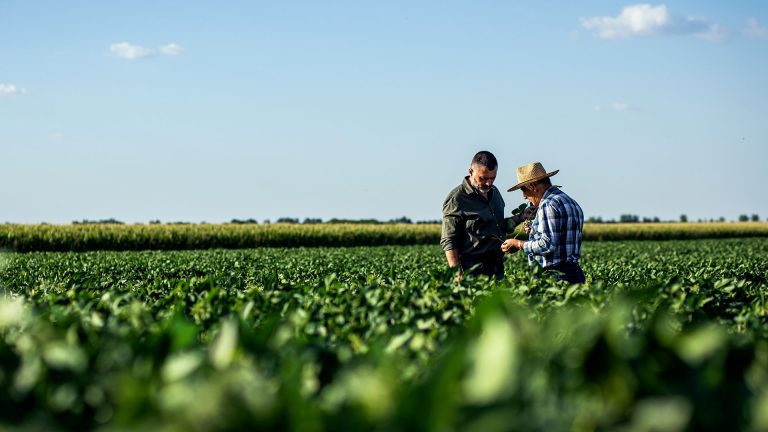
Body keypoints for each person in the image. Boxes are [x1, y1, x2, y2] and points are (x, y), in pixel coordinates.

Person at [440, 151, 531, 279]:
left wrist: (520, 217)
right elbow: (449, 239)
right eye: (483, 178)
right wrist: (457, 273)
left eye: (492, 178)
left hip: (497, 267)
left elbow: (497, 225)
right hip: (472, 269)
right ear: (471, 172)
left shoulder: (495, 193)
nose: (489, 183)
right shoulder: (457, 198)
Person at [501, 162, 586, 284]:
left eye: (524, 190)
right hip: (575, 273)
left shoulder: (547, 204)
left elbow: (547, 245)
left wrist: (518, 244)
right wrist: (534, 232)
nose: (524, 196)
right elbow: (560, 238)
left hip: (556, 276)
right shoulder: (571, 202)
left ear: (533, 186)